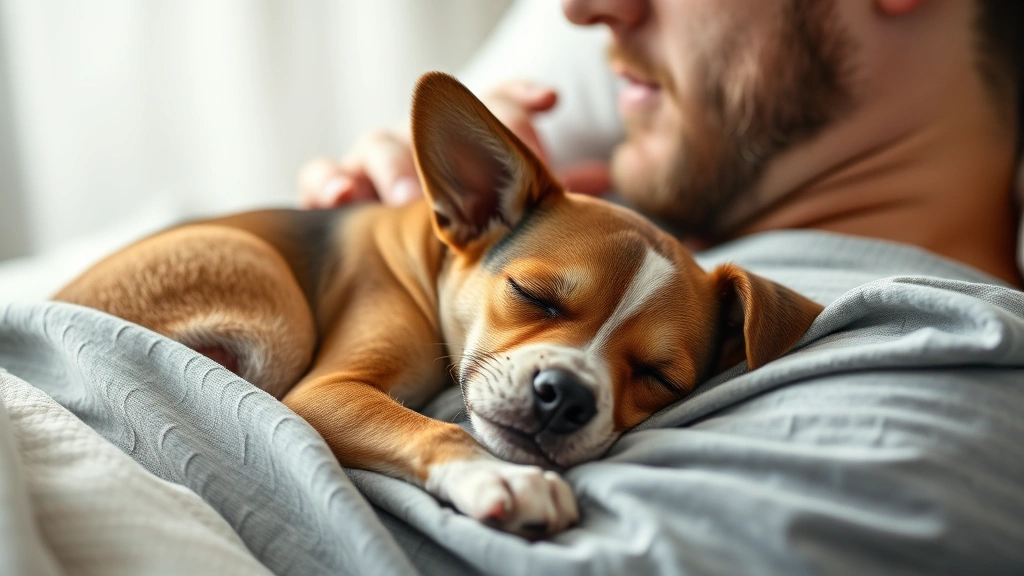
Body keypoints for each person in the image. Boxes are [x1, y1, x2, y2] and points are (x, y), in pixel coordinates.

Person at [288, 0, 1024, 572]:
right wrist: (370, 251)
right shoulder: (575, 232)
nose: (579, 11)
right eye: (540, 300)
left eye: (653, 371)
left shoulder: (949, 359)